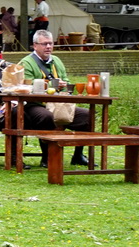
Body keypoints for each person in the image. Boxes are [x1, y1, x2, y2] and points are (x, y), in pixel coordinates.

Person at [19, 30, 91, 167]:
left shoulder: (56, 60)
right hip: (35, 104)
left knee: (87, 116)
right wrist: (52, 85)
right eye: (44, 44)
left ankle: (78, 155)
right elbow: (26, 86)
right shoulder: (26, 63)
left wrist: (65, 86)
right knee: (47, 116)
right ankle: (47, 157)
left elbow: (66, 83)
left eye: (50, 43)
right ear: (35, 45)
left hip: (59, 103)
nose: (48, 47)